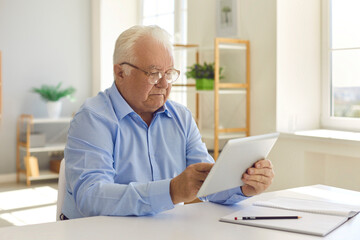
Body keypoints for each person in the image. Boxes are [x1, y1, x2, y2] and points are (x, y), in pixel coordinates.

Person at [61, 25, 274, 219]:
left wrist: (243, 186)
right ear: (120, 73)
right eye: (153, 73)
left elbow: (207, 182)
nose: (164, 84)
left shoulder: (181, 117)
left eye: (169, 73)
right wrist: (171, 191)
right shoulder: (92, 118)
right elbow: (91, 197)